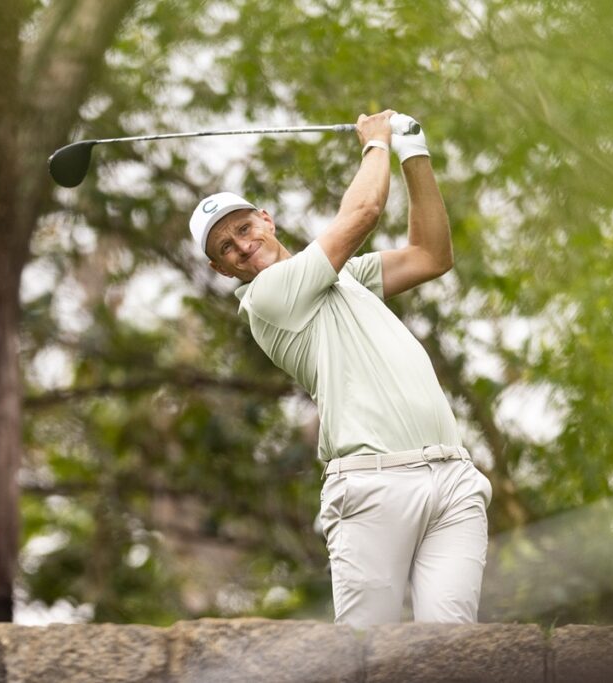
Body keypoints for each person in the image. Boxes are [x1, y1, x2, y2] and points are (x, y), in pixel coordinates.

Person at [188, 110, 493, 627]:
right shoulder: (267, 298)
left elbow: (430, 255)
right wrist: (377, 142)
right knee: (363, 654)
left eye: (243, 228)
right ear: (220, 269)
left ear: (266, 220)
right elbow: (364, 211)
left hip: (453, 478)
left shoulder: (346, 277)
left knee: (452, 651)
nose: (242, 245)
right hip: (373, 487)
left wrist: (414, 152)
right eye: (226, 248)